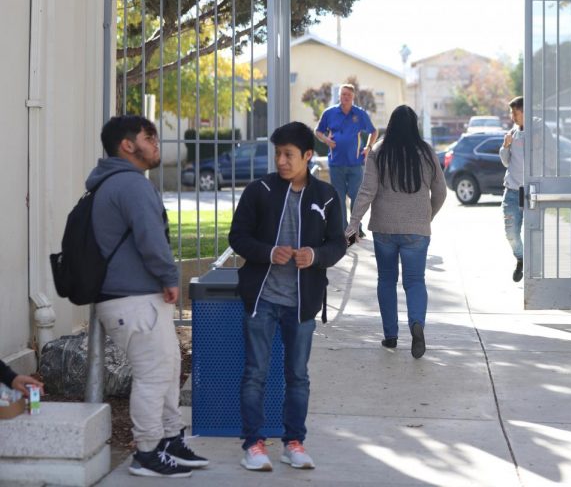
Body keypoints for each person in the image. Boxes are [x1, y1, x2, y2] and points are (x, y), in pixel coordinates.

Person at [89, 115, 207, 478]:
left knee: (169, 369)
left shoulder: (116, 182)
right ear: (127, 145)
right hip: (132, 299)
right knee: (154, 375)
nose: (157, 143)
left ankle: (170, 439)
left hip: (136, 297)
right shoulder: (130, 185)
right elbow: (151, 239)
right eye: (149, 137)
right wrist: (170, 277)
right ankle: (147, 451)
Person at [229, 121, 346, 472]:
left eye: (288, 155)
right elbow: (238, 236)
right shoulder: (259, 191)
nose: (281, 161)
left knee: (298, 376)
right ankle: (253, 444)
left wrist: (316, 256)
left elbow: (338, 243)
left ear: (308, 156)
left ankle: (293, 442)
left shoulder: (326, 196)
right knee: (255, 374)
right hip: (262, 298)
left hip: (302, 303)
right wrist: (267, 252)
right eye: (278, 154)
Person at [345, 105, 447, 359]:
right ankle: (417, 325)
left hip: (384, 229)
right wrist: (427, 216)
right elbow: (442, 192)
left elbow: (366, 191)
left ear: (390, 124)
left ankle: (390, 336)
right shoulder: (426, 152)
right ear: (415, 126)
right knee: (415, 281)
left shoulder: (379, 151)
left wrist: (353, 224)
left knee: (386, 280)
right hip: (417, 230)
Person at [315, 84, 378, 235]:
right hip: (336, 163)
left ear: (353, 97)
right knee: (339, 196)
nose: (345, 97)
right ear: (339, 96)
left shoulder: (360, 114)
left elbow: (373, 131)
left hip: (355, 163)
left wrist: (368, 147)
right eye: (343, 94)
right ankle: (344, 228)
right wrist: (327, 141)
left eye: (348, 95)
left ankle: (356, 227)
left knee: (356, 196)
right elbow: (318, 131)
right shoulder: (329, 113)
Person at [500, 96, 525, 282]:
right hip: (512, 192)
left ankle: (533, 265)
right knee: (511, 233)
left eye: (515, 112)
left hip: (532, 192)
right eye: (511, 112)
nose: (513, 116)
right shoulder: (512, 133)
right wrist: (505, 145)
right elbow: (506, 161)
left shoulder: (537, 133)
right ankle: (521, 259)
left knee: (536, 233)